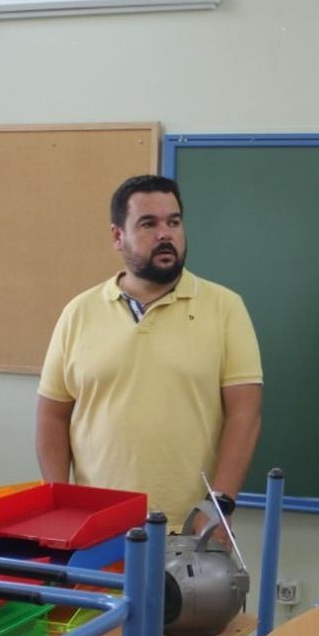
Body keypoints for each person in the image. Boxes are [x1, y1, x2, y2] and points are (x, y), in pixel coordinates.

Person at [36, 174, 263, 526]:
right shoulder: (78, 313)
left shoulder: (225, 308)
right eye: (148, 224)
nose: (165, 234)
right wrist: (59, 501)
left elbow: (245, 414)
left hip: (189, 529)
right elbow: (52, 415)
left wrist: (218, 507)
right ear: (117, 236)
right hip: (95, 527)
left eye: (174, 222)